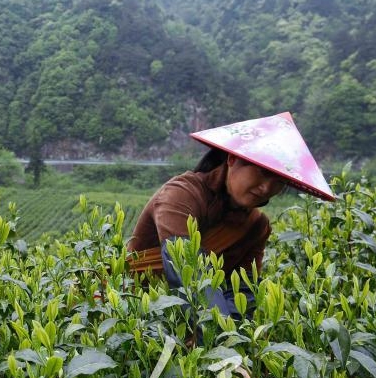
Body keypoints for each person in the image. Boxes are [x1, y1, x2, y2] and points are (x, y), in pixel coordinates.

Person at [127, 112, 335, 318]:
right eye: (262, 172)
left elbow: (243, 290)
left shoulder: (257, 226)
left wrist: (230, 338)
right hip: (140, 313)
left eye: (279, 181)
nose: (266, 188)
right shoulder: (182, 194)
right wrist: (216, 333)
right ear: (233, 158)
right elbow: (186, 269)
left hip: (196, 326)